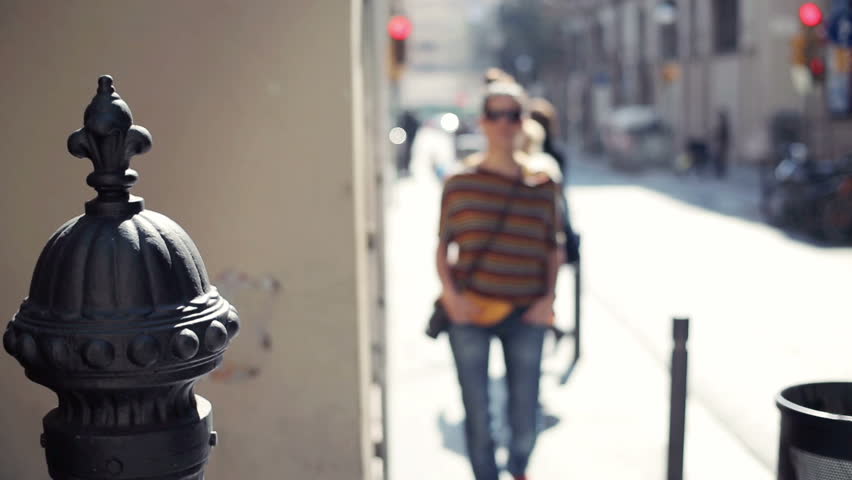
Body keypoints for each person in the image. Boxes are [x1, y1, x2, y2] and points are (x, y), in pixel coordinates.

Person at [437, 80, 561, 480]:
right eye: (497, 114)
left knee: (525, 415)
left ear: (524, 122)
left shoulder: (543, 183)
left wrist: (548, 300)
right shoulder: (459, 181)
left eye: (514, 115)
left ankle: (520, 469)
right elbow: (443, 247)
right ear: (483, 122)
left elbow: (554, 247)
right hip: (469, 310)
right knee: (477, 416)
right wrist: (451, 298)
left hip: (527, 312)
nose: (505, 123)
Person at [713, 109, 730, 178]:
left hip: (722, 145)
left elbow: (724, 136)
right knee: (719, 159)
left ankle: (720, 173)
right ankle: (719, 172)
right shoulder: (723, 125)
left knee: (720, 160)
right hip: (721, 144)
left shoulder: (724, 125)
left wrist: (720, 143)